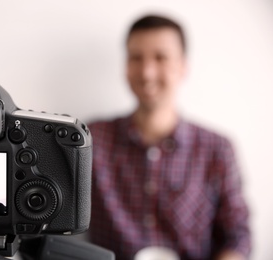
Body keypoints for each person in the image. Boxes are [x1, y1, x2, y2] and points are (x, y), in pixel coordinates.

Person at [88, 15, 251, 260]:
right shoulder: (93, 138)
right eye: (136, 58)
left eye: (160, 57)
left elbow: (238, 236)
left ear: (183, 66)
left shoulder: (217, 148)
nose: (147, 72)